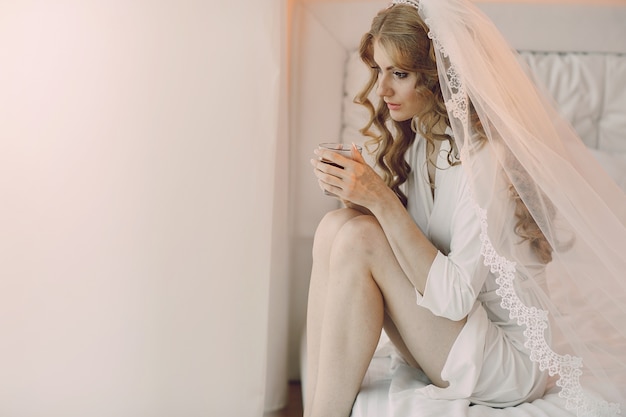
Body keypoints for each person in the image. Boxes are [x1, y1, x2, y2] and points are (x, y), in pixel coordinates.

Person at [306, 1, 626, 417]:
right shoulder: (423, 137)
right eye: (379, 71)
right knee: (339, 224)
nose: (382, 90)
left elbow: (454, 298)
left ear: (437, 77)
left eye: (399, 74)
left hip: (509, 361)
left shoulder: (484, 161)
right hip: (458, 329)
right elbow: (415, 247)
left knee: (359, 235)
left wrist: (379, 201)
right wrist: (360, 197)